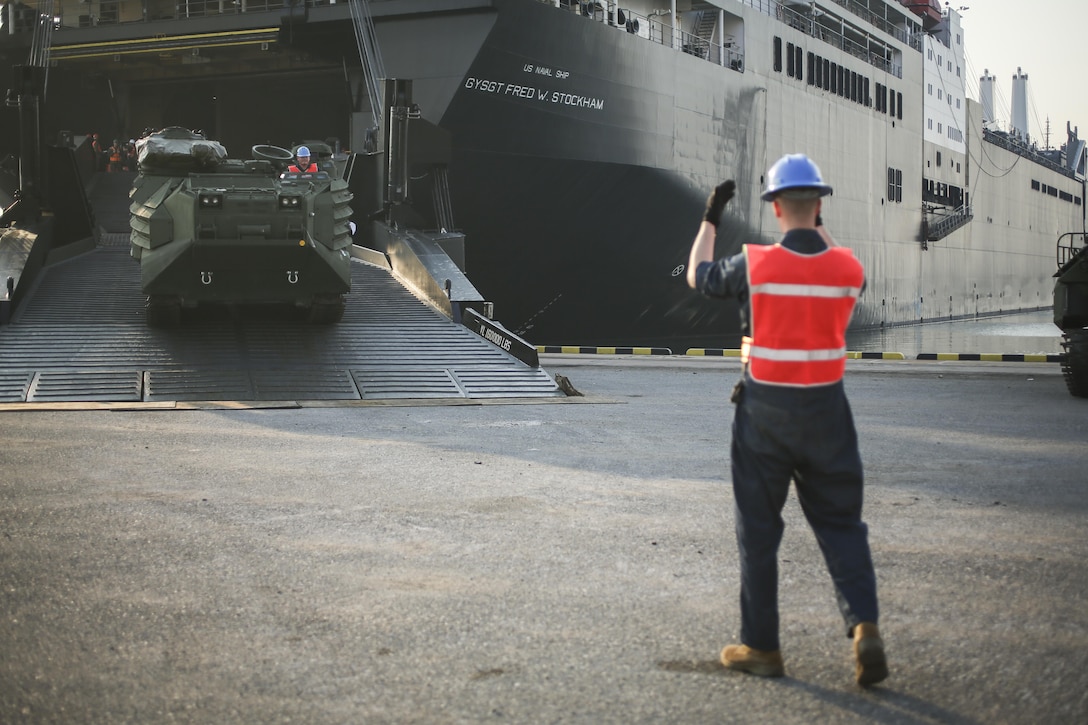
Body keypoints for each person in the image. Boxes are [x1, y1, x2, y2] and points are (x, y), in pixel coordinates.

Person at [686, 153, 887, 687]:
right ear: (819, 205)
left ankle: (763, 647)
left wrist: (711, 216)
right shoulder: (849, 268)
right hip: (827, 411)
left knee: (759, 531)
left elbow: (697, 276)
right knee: (842, 523)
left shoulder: (755, 264)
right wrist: (816, 224)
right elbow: (828, 256)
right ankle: (864, 625)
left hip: (764, 413)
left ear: (774, 207)